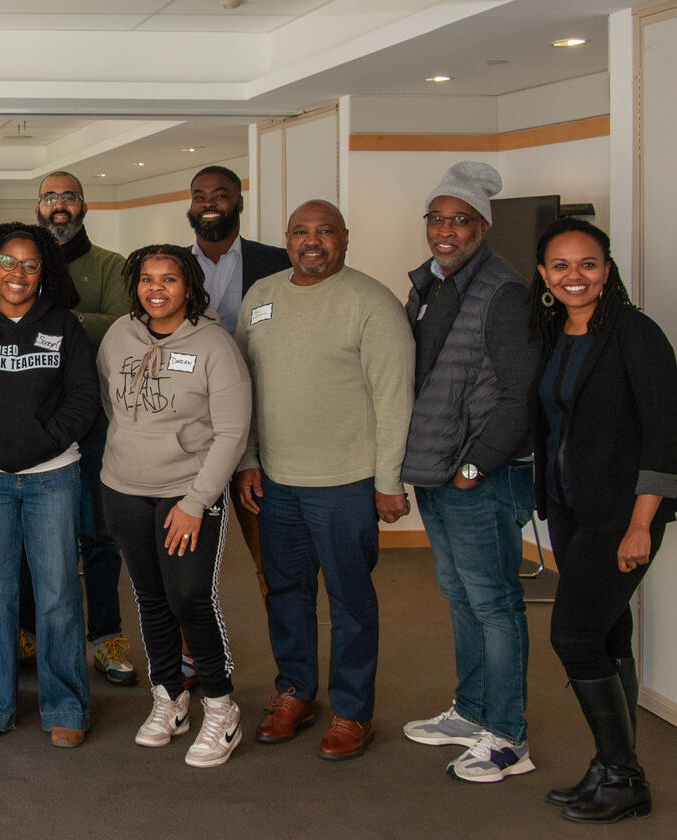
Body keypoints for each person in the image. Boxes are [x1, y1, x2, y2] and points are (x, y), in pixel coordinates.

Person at [233, 200, 413, 760]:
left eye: (325, 231)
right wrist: (248, 458)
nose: (312, 241)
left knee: (350, 600)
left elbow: (393, 398)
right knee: (286, 594)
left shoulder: (372, 302)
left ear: (345, 238)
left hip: (347, 484)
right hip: (277, 482)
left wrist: (389, 481)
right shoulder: (261, 296)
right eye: (300, 232)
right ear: (286, 240)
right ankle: (295, 693)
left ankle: (353, 710)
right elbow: (245, 385)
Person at [530, 218, 677, 823]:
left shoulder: (634, 335)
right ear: (543, 275)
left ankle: (624, 777)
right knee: (609, 634)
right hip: (568, 508)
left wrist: (642, 524)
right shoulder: (553, 331)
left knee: (574, 635)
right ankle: (613, 768)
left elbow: (666, 437)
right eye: (561, 266)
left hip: (621, 515)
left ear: (607, 269)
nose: (574, 276)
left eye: (587, 264)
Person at [399, 162, 540, 783]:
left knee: (495, 603)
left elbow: (520, 396)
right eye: (437, 218)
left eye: (460, 220)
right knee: (461, 597)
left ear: (482, 227)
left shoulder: (504, 292)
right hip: (438, 470)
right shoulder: (430, 284)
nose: (446, 230)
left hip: (479, 475)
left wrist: (475, 467)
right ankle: (473, 711)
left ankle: (508, 737)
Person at [0, 222, 99, 748]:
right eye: (8, 261)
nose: (18, 273)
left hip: (52, 476)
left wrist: (40, 446)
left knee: (56, 593)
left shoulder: (65, 327)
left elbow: (83, 399)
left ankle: (66, 705)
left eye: (31, 264)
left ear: (44, 272)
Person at [98, 244, 251, 767]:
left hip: (187, 492)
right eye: (147, 279)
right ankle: (168, 696)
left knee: (189, 597)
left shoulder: (214, 345)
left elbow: (231, 433)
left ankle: (220, 704)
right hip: (123, 487)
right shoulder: (120, 334)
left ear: (188, 286)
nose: (156, 289)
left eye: (169, 278)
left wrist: (195, 502)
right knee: (149, 597)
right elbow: (109, 401)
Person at [34, 171, 134, 687]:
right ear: (38, 207)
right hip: (32, 414)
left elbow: (121, 323)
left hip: (95, 416)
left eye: (67, 197)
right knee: (30, 528)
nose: (58, 206)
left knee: (98, 530)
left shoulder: (110, 266)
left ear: (83, 206)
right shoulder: (23, 257)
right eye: (49, 197)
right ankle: (30, 628)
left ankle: (107, 633)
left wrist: (49, 318)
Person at [187, 165, 291, 607]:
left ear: (239, 203)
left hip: (259, 422)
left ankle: (291, 666)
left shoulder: (277, 263)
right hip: (190, 423)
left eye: (221, 194)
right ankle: (192, 661)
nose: (210, 202)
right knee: (186, 560)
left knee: (273, 558)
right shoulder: (169, 267)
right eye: (200, 195)